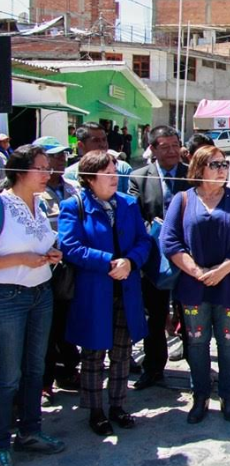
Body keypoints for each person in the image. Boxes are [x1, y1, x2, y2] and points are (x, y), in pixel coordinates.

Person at [58, 150, 152, 436]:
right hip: (94, 292)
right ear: (89, 178)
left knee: (122, 353)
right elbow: (70, 246)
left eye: (115, 173)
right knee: (94, 353)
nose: (114, 179)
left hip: (126, 289)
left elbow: (143, 240)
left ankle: (118, 406)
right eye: (108, 174)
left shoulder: (127, 203)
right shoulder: (73, 206)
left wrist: (131, 261)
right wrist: (109, 262)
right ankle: (96, 410)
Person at [161, 145, 230, 424]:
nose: (223, 169)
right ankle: (200, 395)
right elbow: (169, 240)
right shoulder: (183, 199)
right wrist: (197, 271)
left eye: (224, 164)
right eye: (215, 164)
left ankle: (228, 396)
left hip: (229, 284)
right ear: (199, 168)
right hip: (194, 286)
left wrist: (222, 270)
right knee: (197, 342)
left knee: (228, 343)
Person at [0, 144, 66, 464]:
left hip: (41, 293)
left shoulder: (40, 205)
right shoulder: (1, 204)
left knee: (35, 370)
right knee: (8, 375)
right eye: (41, 167)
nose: (47, 173)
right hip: (8, 297)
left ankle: (30, 431)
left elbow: (44, 242)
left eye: (48, 167)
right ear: (20, 171)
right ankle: (1, 441)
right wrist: (20, 259)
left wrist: (52, 255)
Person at [128, 125, 190, 391]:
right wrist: (154, 228)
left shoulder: (192, 174)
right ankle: (153, 368)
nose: (172, 151)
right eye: (165, 146)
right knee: (155, 315)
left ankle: (196, 368)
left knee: (190, 313)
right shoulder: (139, 177)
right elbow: (134, 216)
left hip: (188, 255)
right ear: (152, 149)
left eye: (175, 145)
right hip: (154, 258)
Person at [33, 137, 82, 405]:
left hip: (69, 269)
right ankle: (44, 382)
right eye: (54, 156)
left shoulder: (73, 188)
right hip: (40, 268)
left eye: (63, 155)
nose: (60, 160)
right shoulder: (32, 191)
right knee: (45, 329)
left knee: (66, 322)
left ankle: (67, 372)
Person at [65, 123, 133, 194]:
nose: (103, 144)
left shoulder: (123, 169)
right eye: (96, 141)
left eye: (104, 140)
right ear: (81, 145)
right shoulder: (70, 175)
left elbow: (131, 201)